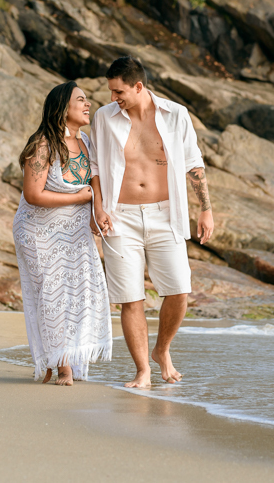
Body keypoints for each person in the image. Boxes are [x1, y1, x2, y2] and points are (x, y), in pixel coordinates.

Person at [90, 56, 214, 388]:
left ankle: (162, 349)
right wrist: (98, 208)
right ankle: (143, 370)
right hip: (120, 218)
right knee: (131, 297)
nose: (114, 98)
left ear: (138, 86)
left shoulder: (176, 115)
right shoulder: (104, 118)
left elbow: (193, 163)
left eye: (119, 92)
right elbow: (96, 167)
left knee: (179, 291)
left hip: (165, 214)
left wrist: (206, 209)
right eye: (111, 92)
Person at [11, 81, 112, 386]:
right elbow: (33, 194)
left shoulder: (87, 145)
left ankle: (56, 360)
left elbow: (94, 185)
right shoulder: (43, 144)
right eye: (80, 100)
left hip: (75, 230)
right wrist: (80, 199)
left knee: (81, 294)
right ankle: (62, 366)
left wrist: (98, 211)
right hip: (38, 231)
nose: (88, 104)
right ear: (62, 108)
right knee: (52, 293)